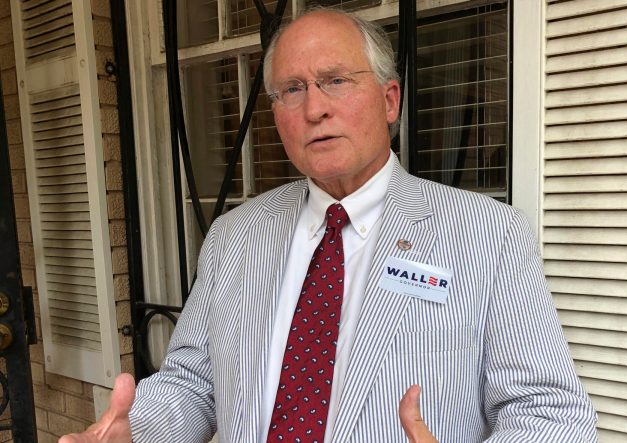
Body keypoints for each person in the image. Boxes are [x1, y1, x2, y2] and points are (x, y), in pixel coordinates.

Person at [61, 8, 597, 443]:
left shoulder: (488, 235)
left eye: (335, 80)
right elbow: (194, 383)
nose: (315, 107)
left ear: (390, 100)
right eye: (291, 90)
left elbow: (549, 411)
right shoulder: (234, 236)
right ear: (277, 117)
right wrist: (135, 430)